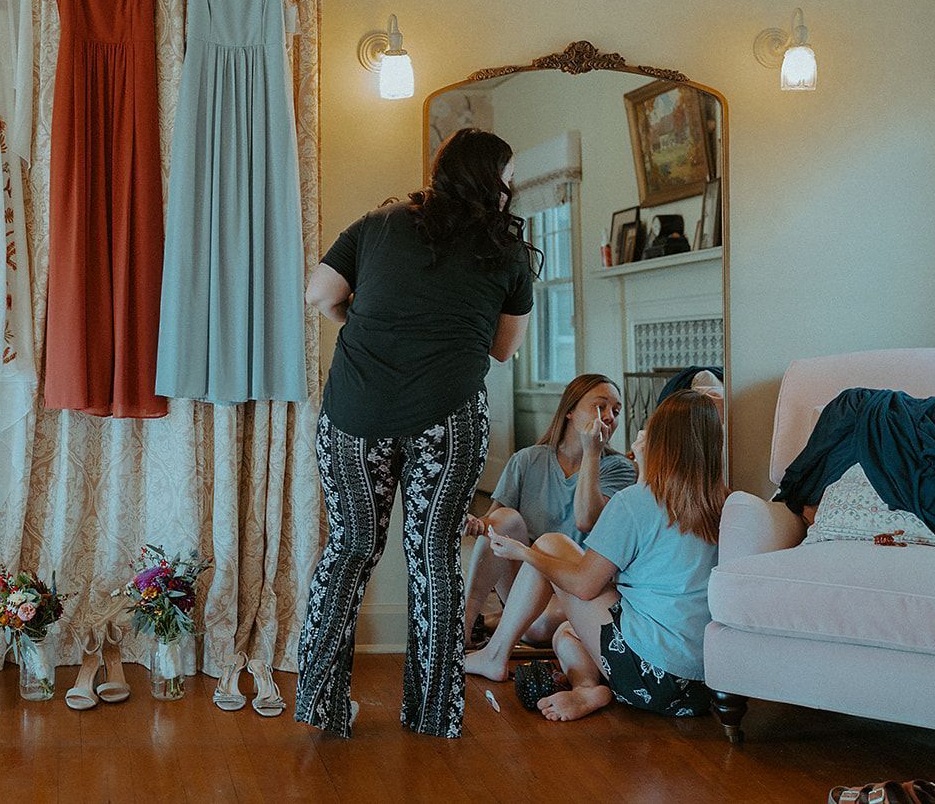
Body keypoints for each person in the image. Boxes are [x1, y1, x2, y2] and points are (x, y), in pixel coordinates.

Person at [295, 128, 536, 739]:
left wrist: (368, 324)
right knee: (434, 557)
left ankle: (322, 705)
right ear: (496, 181)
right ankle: (432, 714)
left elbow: (318, 294)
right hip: (447, 415)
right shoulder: (506, 249)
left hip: (356, 411)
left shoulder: (378, 224)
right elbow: (504, 349)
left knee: (348, 548)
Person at [462, 389, 727, 723]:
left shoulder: (635, 501)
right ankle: (587, 687)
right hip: (707, 686)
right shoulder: (728, 503)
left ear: (659, 440)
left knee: (550, 544)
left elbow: (586, 586)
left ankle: (495, 655)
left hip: (651, 676)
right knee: (566, 634)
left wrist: (525, 554)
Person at [462, 374, 637, 654]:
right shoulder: (527, 459)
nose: (608, 416)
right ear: (569, 411)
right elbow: (493, 524)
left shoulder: (619, 468)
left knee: (539, 627)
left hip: (573, 587)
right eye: (600, 406)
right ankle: (467, 625)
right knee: (506, 518)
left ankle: (500, 623)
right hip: (525, 580)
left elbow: (588, 520)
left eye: (615, 411)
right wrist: (475, 523)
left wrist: (592, 453)